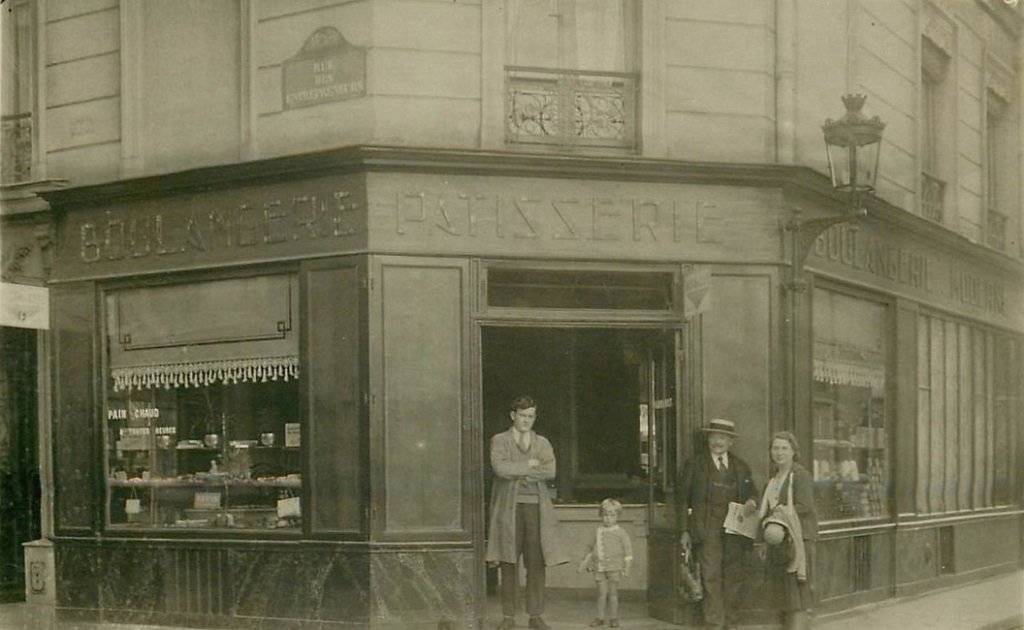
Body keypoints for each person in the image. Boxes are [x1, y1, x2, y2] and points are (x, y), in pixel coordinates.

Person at [486, 395, 569, 630]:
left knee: (536, 562)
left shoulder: (542, 442)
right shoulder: (500, 440)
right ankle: (508, 617)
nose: (526, 420)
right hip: (508, 510)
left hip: (536, 510)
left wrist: (520, 472)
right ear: (513, 416)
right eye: (522, 415)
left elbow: (550, 470)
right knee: (508, 561)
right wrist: (529, 466)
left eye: (530, 416)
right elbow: (500, 469)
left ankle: (535, 615)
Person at [677, 418, 758, 630]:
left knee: (733, 576)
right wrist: (684, 530)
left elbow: (753, 493)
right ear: (708, 439)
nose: (718, 441)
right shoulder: (694, 464)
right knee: (710, 575)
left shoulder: (741, 467)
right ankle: (714, 623)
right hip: (706, 529)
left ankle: (731, 623)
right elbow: (682, 499)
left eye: (723, 437)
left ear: (731, 442)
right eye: (714, 437)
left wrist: (751, 501)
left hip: (734, 531)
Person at [758, 431, 818, 630]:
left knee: (798, 595)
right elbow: (765, 511)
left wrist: (780, 513)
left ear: (793, 452)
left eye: (784, 448)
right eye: (775, 448)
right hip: (780, 543)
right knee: (786, 595)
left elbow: (806, 506)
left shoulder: (800, 475)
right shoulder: (773, 480)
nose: (779, 452)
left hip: (798, 541)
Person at [578, 498, 634, 628]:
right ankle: (600, 617)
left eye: (612, 515)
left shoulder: (621, 533)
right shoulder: (598, 531)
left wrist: (627, 565)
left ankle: (613, 618)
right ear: (601, 515)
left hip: (615, 567)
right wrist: (586, 562)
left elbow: (628, 550)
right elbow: (590, 547)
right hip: (599, 567)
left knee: (613, 593)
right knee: (601, 594)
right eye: (605, 515)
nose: (608, 519)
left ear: (617, 516)